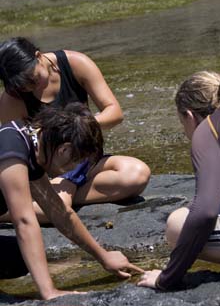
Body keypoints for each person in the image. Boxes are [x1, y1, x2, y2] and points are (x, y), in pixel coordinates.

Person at [0, 102, 143, 300]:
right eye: (78, 161)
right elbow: (24, 221)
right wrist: (49, 292)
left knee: (17, 257)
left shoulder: (33, 144)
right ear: (64, 150)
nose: (73, 170)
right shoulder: (11, 150)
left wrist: (103, 256)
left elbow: (59, 212)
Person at [0, 37, 150, 223]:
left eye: (34, 79)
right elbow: (18, 150)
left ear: (38, 57)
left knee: (137, 174)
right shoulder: (12, 98)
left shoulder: (76, 63)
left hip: (85, 161)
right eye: (22, 86)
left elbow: (115, 112)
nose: (31, 87)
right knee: (58, 208)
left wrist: (77, 127)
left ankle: (63, 197)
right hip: (53, 170)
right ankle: (8, 212)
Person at [138, 71, 220, 290]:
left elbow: (205, 213)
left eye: (183, 124)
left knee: (177, 225)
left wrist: (167, 278)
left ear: (190, 116)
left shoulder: (207, 129)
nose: (185, 133)